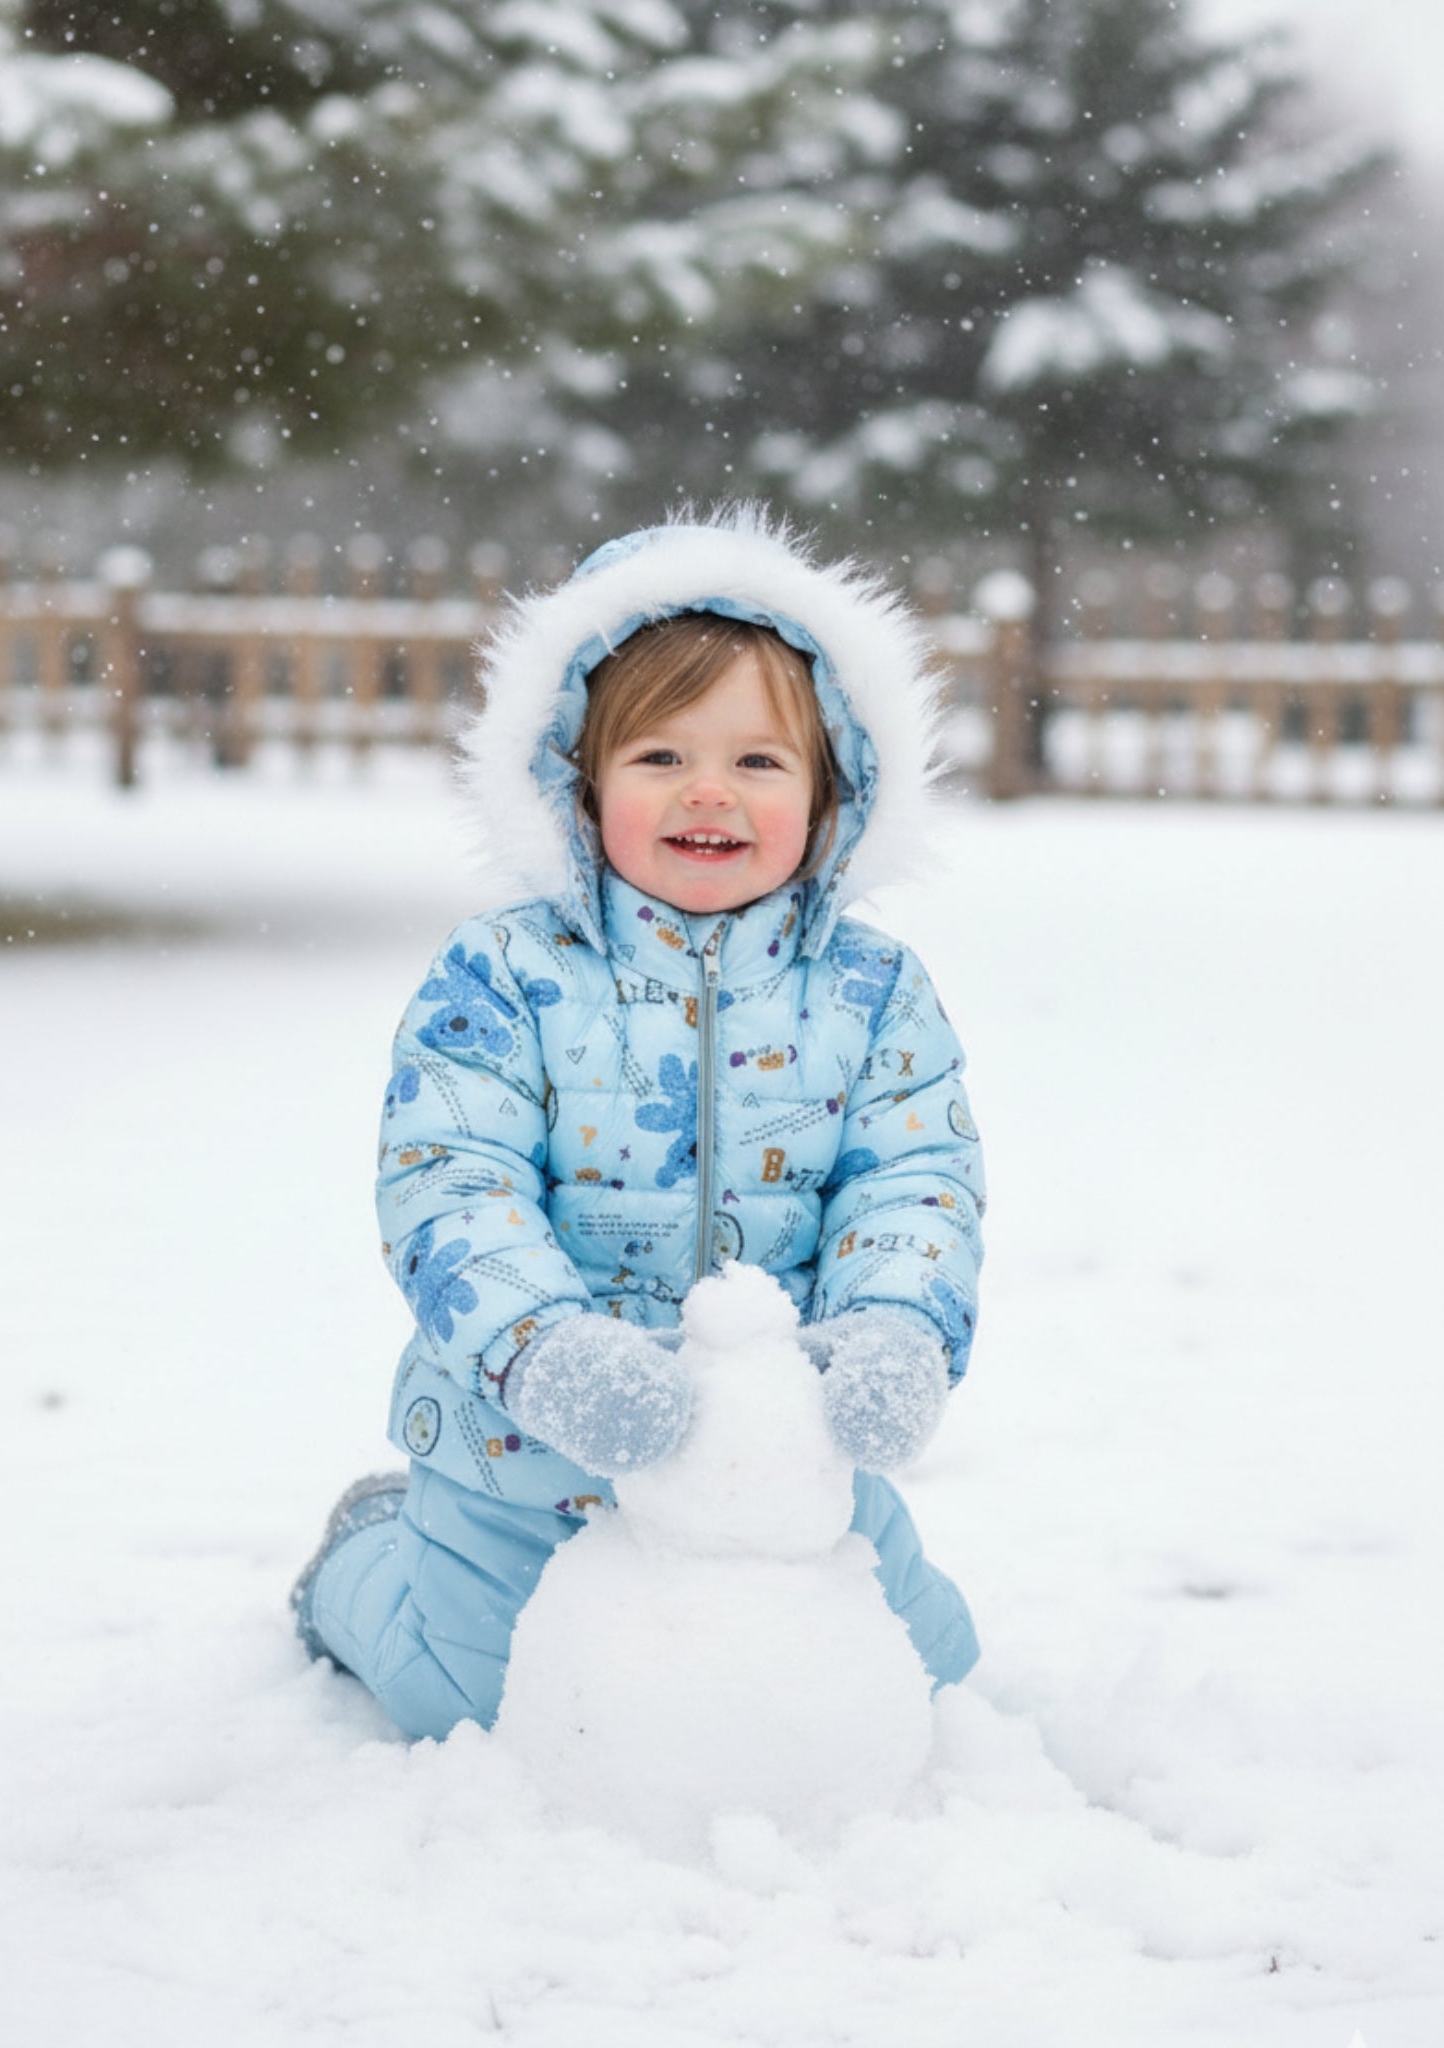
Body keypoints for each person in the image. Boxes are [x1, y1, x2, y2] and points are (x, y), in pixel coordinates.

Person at [290, 508, 987, 1739]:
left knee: (925, 1680)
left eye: (760, 762)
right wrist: (545, 1349)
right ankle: (365, 1558)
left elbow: (914, 1179)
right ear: (580, 781)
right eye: (661, 755)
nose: (709, 789)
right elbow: (451, 1178)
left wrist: (892, 1330)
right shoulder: (503, 973)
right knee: (474, 1704)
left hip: (782, 1452)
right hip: (530, 1459)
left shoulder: (875, 991)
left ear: (832, 793)